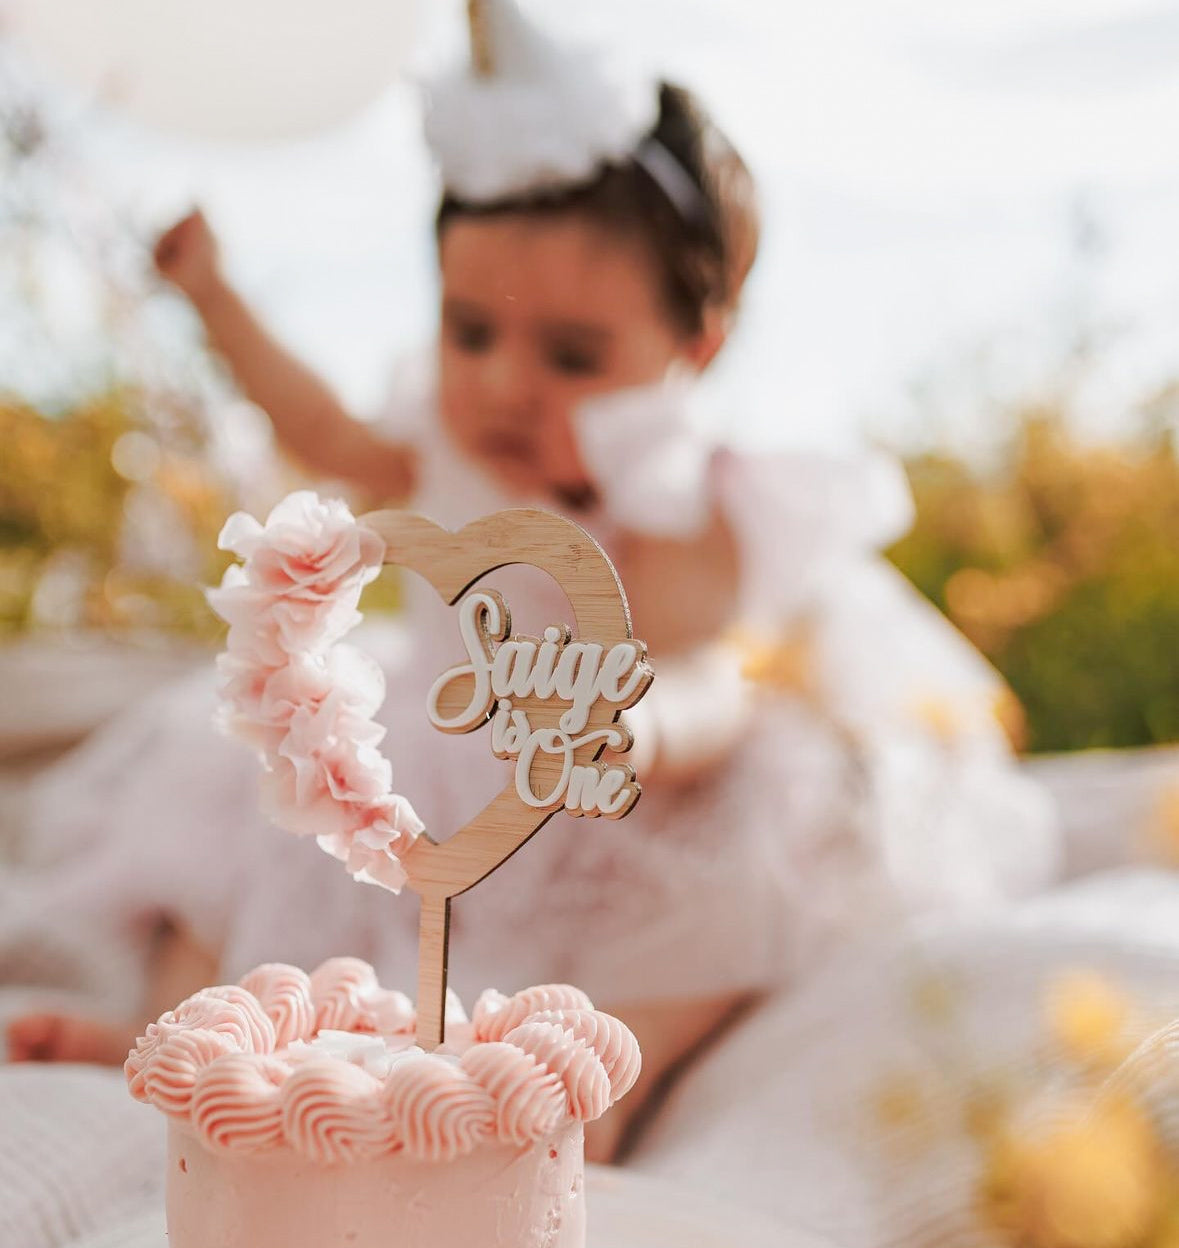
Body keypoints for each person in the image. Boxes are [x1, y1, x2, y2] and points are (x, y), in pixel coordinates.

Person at [4, 1, 1057, 1158]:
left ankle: (582, 1110)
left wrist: (634, 733)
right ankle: (184, 1044)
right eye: (469, 332)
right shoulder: (437, 447)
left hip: (621, 790)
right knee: (253, 836)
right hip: (429, 746)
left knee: (730, 904)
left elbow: (711, 673)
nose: (505, 382)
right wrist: (214, 294)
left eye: (571, 355)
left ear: (692, 349)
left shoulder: (682, 508)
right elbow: (314, 423)